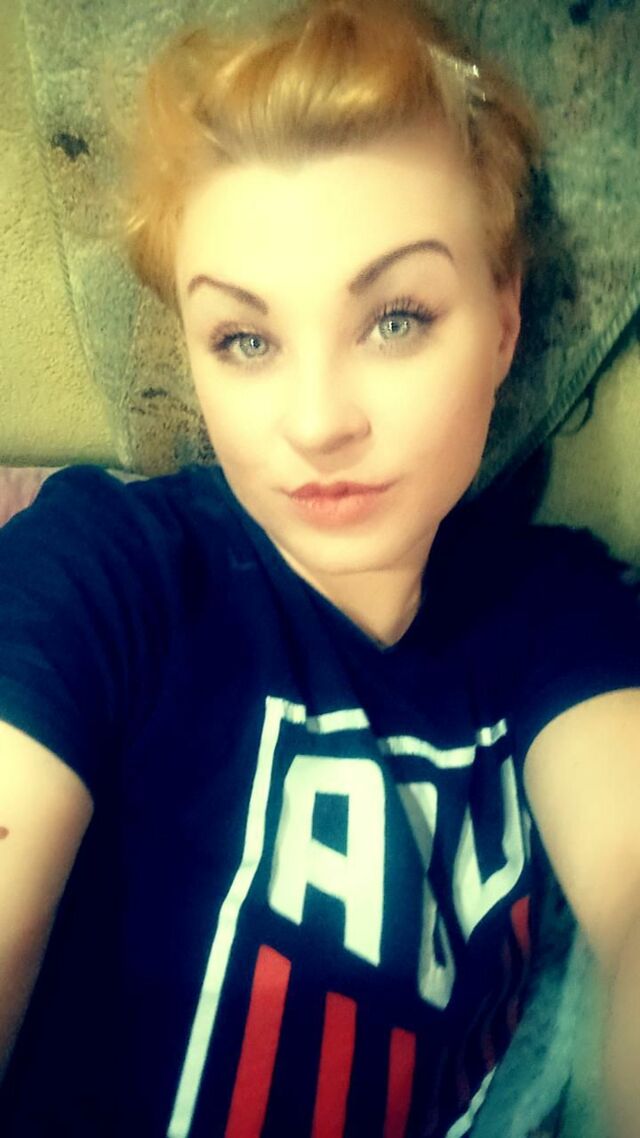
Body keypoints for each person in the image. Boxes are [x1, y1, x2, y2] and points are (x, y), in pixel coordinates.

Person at [0, 0, 639, 1135]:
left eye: (395, 319)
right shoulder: (103, 568)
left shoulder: (560, 616)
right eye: (244, 339)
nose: (315, 423)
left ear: (502, 322)